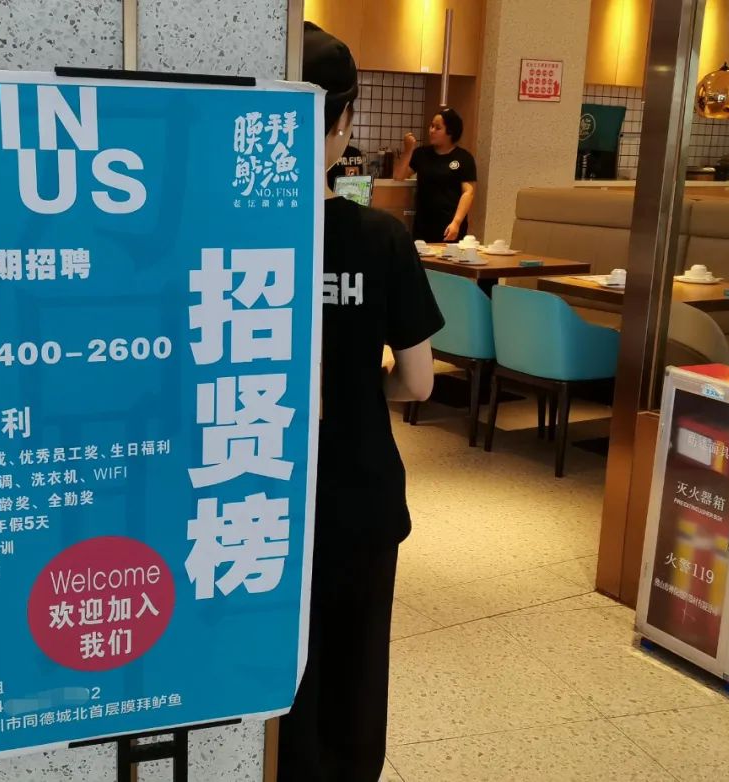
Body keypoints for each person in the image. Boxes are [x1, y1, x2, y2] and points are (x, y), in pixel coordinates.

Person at [277, 22, 444, 782]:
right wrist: (353, 383)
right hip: (358, 490)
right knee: (352, 667)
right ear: (342, 121)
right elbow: (419, 383)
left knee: (272, 670)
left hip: (247, 494)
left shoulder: (226, 235)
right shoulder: (378, 238)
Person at [393, 108, 478, 243]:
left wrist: (456, 222)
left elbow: (468, 192)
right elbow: (398, 176)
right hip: (423, 226)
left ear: (450, 132)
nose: (432, 130)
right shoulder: (421, 154)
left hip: (450, 226)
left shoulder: (464, 158)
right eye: (431, 126)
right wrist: (408, 150)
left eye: (438, 128)